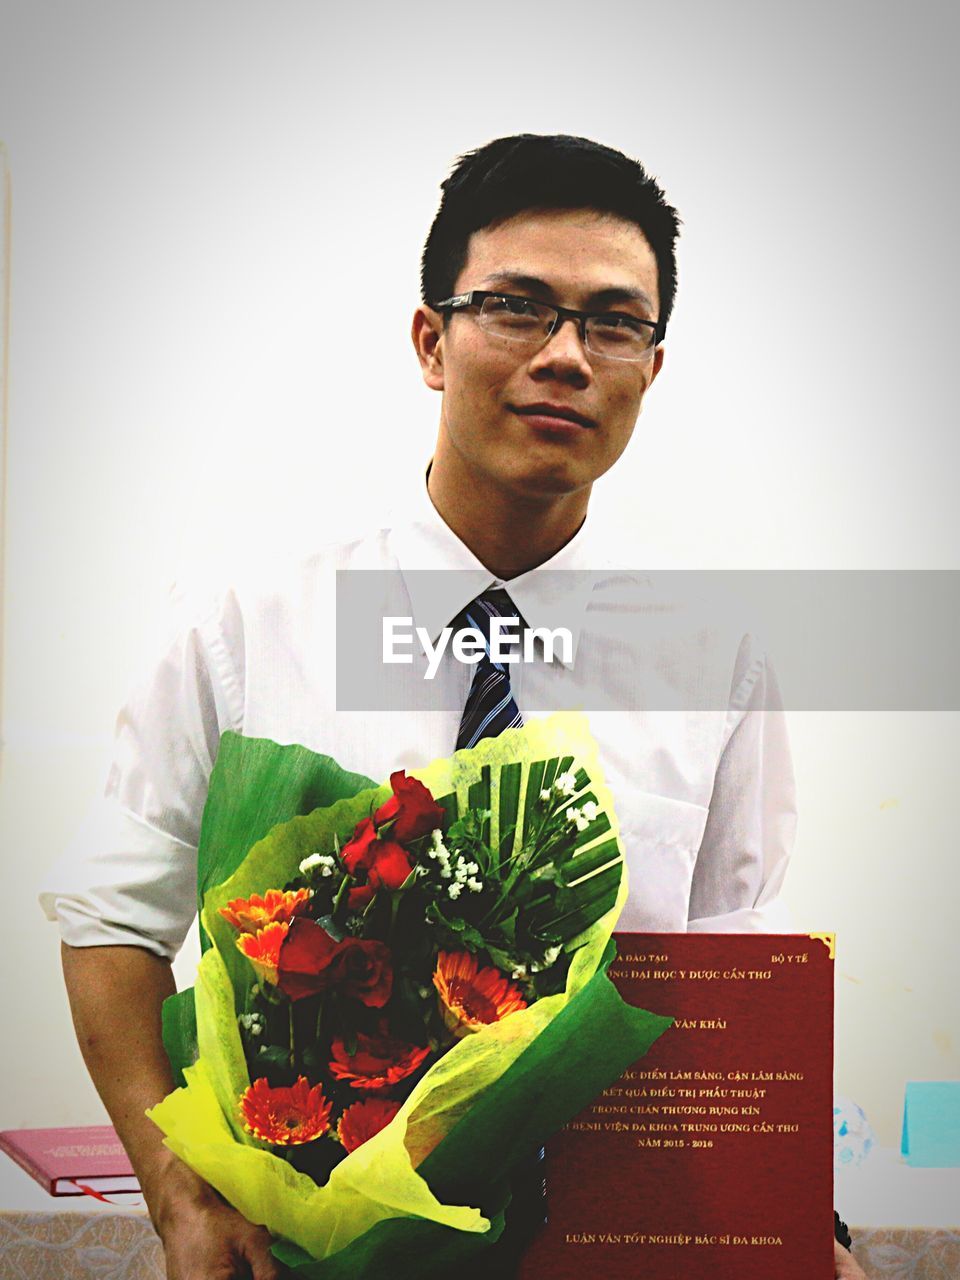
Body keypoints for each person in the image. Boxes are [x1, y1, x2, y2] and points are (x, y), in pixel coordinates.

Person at [41, 134, 866, 1280]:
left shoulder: (717, 659)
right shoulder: (247, 618)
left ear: (652, 368)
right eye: (519, 308)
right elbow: (109, 918)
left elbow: (731, 1002)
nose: (568, 355)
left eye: (613, 321)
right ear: (432, 341)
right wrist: (176, 1193)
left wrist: (797, 1226)